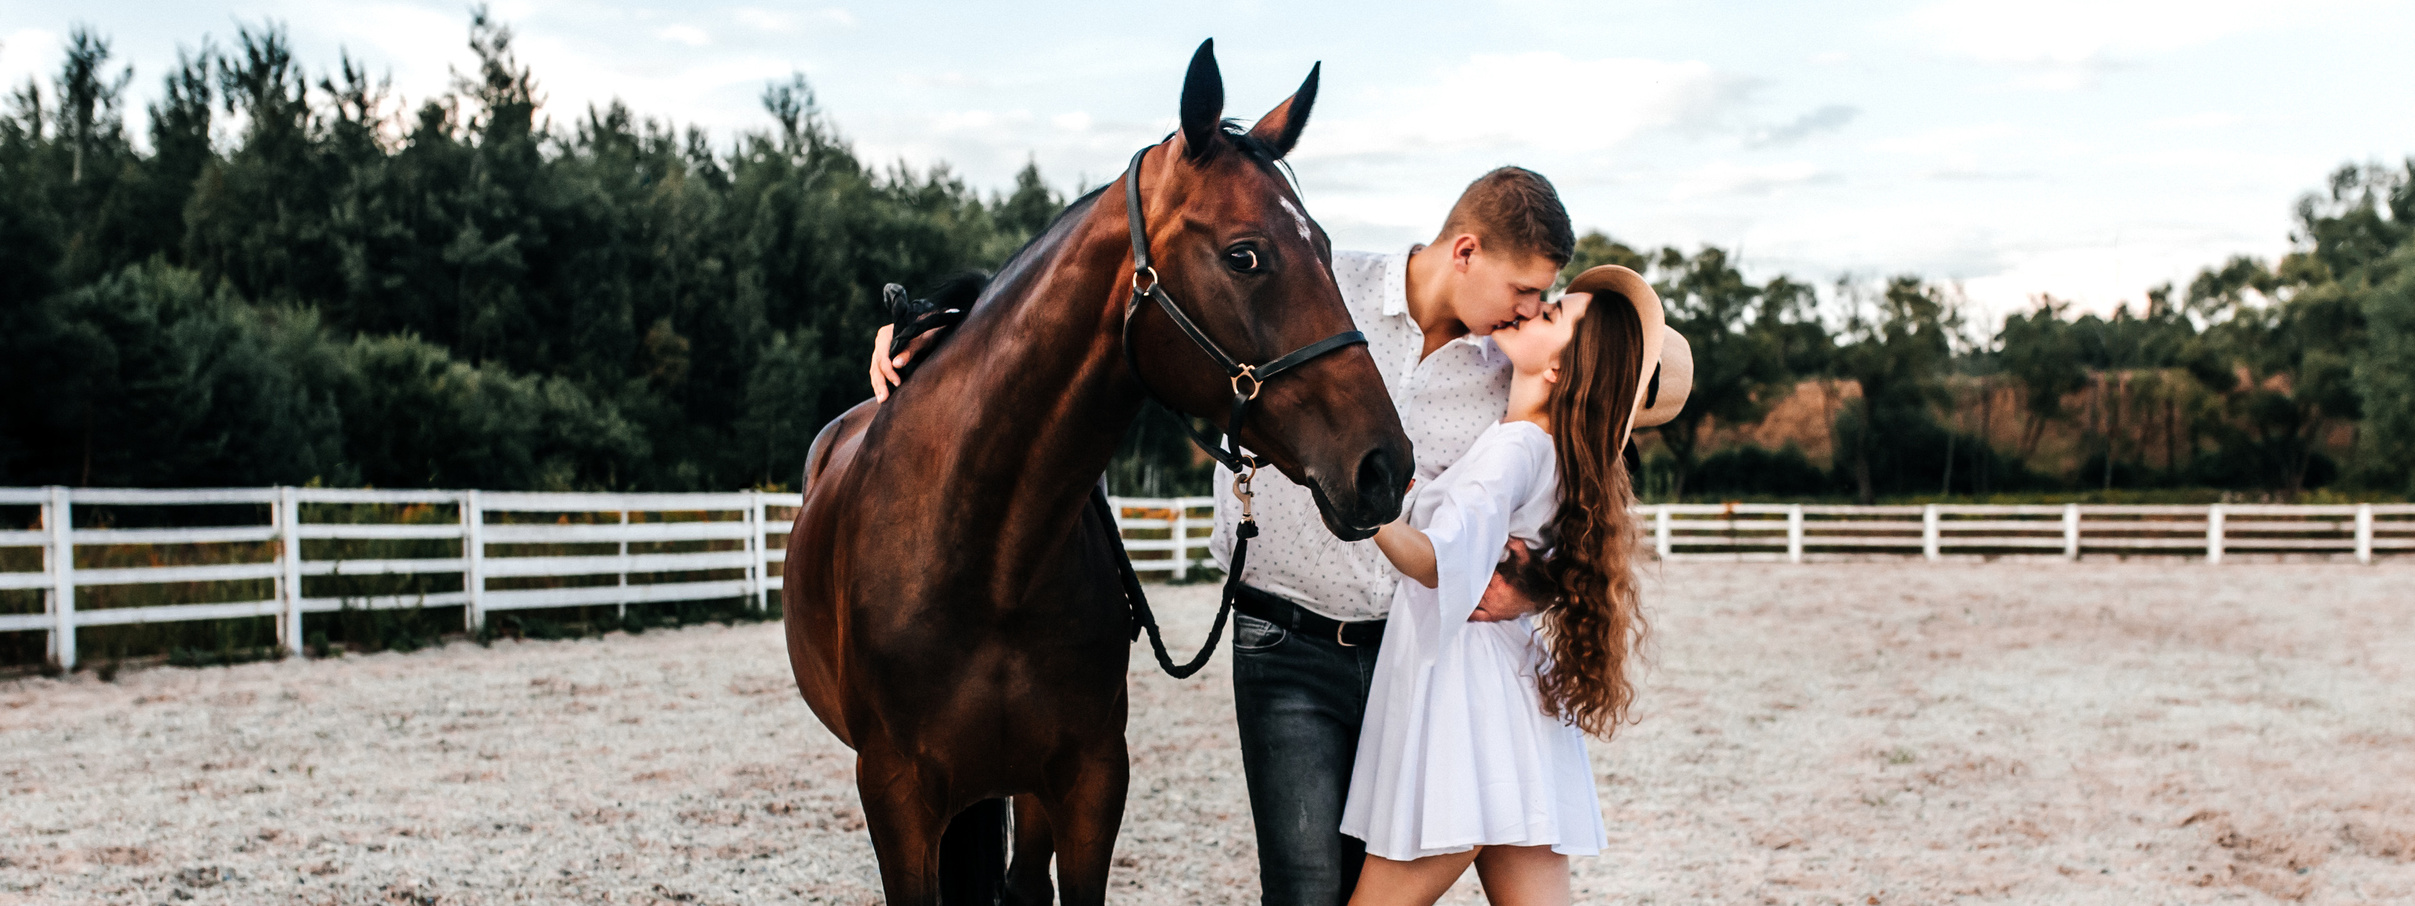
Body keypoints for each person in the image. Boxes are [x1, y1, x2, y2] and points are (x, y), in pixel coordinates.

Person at [870, 167, 1672, 906]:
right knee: (1304, 885)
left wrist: (1544, 579)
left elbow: (1592, 444)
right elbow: (1118, 314)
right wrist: (944, 327)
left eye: (1545, 301)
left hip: (1406, 656)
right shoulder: (1319, 287)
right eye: (1527, 289)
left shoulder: (1508, 370)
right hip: (1284, 639)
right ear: (1466, 250)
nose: (1532, 308)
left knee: (1371, 878)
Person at [1342, 265, 1661, 906]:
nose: (1533, 309)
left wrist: (1360, 510)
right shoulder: (1550, 451)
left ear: (1558, 371)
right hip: (1510, 686)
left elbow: (1436, 562)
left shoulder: (1513, 447)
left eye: (1552, 315)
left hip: (1463, 693)